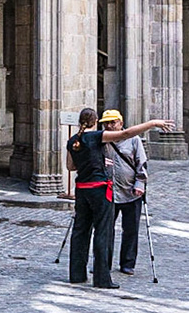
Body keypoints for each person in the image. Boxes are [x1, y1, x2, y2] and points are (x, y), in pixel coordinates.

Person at [67, 107, 174, 289]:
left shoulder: (72, 141)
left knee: (80, 231)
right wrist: (153, 123)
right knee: (103, 232)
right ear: (95, 122)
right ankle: (102, 279)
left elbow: (71, 167)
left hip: (81, 190)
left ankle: (77, 274)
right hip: (99, 190)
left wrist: (94, 161)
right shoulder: (97, 136)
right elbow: (127, 133)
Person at [101, 109, 149, 276]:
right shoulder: (102, 140)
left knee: (131, 229)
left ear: (121, 123)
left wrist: (140, 184)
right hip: (107, 192)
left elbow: (141, 164)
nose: (109, 125)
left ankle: (128, 263)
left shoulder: (134, 140)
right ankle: (103, 262)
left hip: (130, 192)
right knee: (105, 229)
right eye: (106, 123)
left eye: (113, 122)